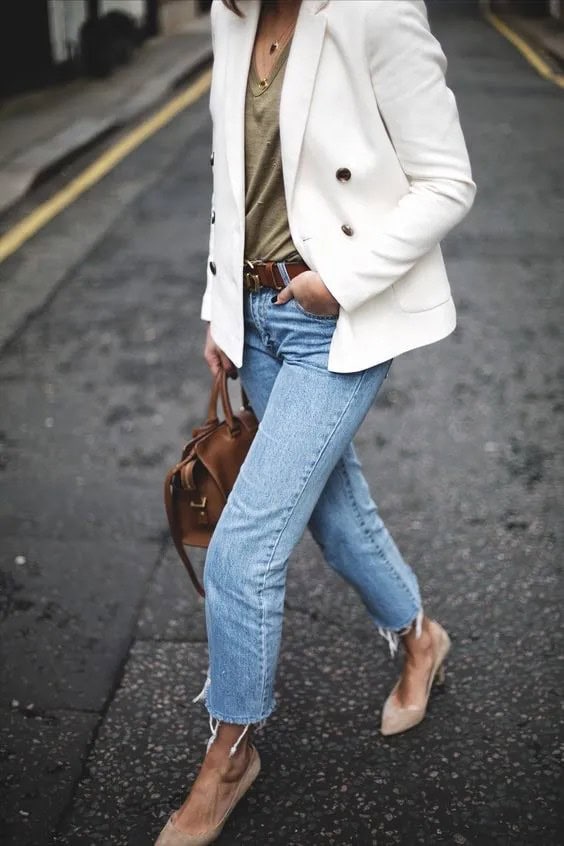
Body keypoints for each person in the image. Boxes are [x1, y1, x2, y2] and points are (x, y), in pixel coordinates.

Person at [155, 0, 476, 843]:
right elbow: (238, 184)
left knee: (244, 550)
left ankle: (231, 752)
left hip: (335, 317)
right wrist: (223, 310)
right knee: (337, 519)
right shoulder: (236, 19)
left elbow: (448, 180)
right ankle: (421, 637)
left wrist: (342, 279)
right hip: (259, 314)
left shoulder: (375, 12)